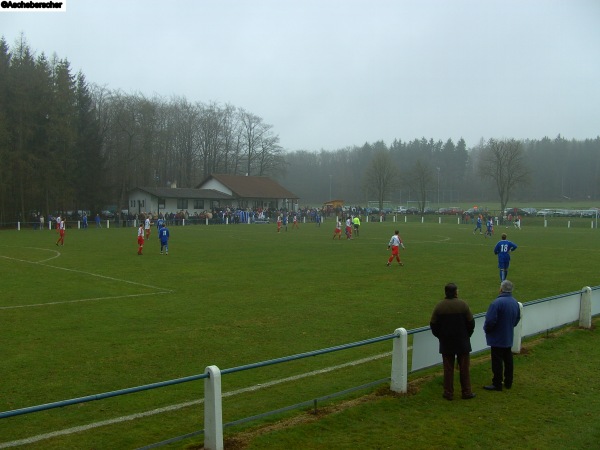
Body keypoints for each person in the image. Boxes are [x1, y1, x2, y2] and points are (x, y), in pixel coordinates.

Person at [430, 282, 476, 400]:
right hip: (462, 341)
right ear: (456, 292)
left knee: (448, 369)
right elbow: (471, 323)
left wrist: (441, 336)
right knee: (464, 368)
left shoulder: (439, 306)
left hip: (446, 342)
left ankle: (448, 393)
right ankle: (466, 392)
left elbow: (433, 325)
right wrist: (467, 335)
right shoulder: (463, 305)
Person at [483, 280, 521, 391]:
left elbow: (490, 321)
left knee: (497, 361)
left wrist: (487, 330)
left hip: (497, 337)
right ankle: (508, 381)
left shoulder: (496, 303)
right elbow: (517, 318)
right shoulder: (515, 302)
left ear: (501, 289)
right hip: (508, 335)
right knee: (508, 359)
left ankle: (497, 383)